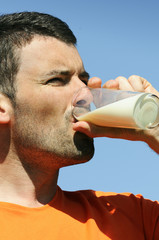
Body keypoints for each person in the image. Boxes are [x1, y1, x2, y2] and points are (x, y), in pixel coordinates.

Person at [0, 11, 159, 240]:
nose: (85, 94)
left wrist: (156, 128)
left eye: (83, 80)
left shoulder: (136, 218)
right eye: (57, 80)